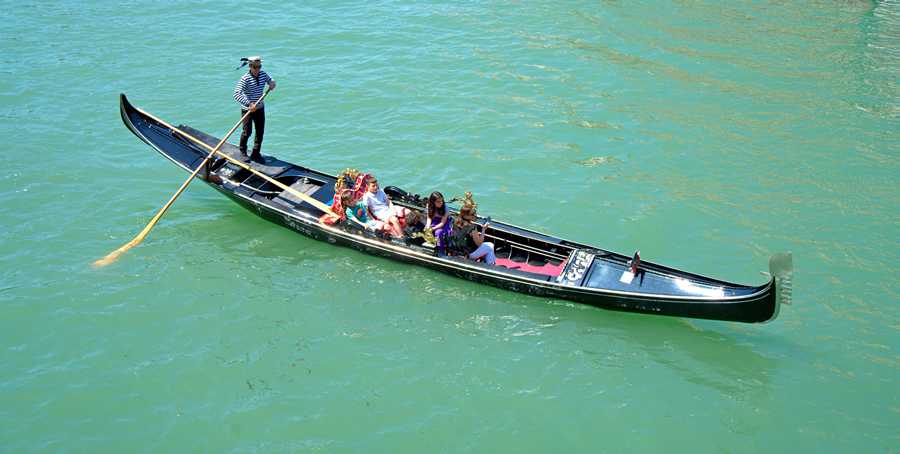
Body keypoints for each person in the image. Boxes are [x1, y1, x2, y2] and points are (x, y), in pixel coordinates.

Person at [233, 56, 276, 164]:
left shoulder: (262, 74)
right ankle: (242, 152)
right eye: (256, 67)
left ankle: (256, 153)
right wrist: (249, 104)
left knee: (260, 131)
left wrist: (272, 83)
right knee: (247, 132)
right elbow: (236, 94)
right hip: (248, 109)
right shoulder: (245, 78)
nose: (258, 69)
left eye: (259, 66)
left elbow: (270, 79)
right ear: (250, 66)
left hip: (260, 108)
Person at [447, 192, 495, 265]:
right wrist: (483, 229)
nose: (475, 215)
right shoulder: (471, 227)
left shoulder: (456, 221)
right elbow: (479, 243)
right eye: (472, 214)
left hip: (456, 251)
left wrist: (469, 199)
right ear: (466, 216)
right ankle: (490, 265)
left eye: (475, 212)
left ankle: (486, 260)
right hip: (468, 254)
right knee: (490, 246)